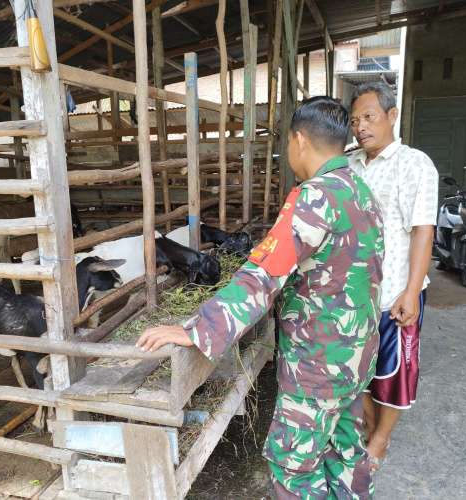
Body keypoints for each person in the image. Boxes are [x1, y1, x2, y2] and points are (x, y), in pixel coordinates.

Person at [137, 96, 385, 499]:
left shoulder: (315, 197)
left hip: (319, 364)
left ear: (299, 140)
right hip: (356, 357)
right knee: (345, 453)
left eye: (287, 143)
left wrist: (199, 328)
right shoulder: (361, 191)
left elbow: (262, 276)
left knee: (292, 465)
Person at [347, 82, 439, 472]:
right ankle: (369, 426)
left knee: (394, 372)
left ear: (392, 115)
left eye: (369, 117)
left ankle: (381, 439)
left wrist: (411, 291)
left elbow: (422, 231)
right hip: (356, 294)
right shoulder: (349, 164)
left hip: (395, 292)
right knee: (360, 371)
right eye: (355, 120)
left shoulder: (414, 164)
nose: (360, 127)